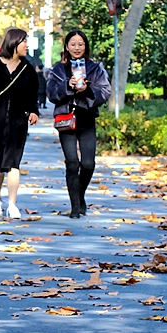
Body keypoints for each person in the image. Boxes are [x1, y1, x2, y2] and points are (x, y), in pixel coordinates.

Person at [46, 30, 111, 218]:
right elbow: (51, 94)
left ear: (86, 46)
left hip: (86, 119)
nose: (77, 48)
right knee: (72, 163)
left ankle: (79, 194)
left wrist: (87, 88)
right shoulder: (58, 69)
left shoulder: (95, 68)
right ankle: (75, 206)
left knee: (88, 164)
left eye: (80, 44)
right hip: (66, 120)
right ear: (66, 47)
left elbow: (105, 91)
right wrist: (68, 85)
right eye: (73, 44)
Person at [0, 28, 40, 220]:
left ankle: (12, 204)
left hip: (17, 120)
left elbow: (33, 94)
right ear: (14, 43)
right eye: (24, 41)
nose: (27, 45)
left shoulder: (28, 69)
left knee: (13, 162)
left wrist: (33, 111)